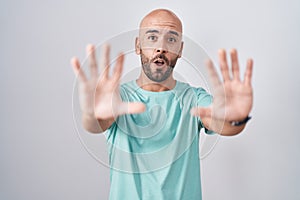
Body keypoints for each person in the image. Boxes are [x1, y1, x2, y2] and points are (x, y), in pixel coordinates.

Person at [71, 8, 253, 200]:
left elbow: (222, 123)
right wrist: (93, 114)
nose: (161, 48)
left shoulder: (194, 98)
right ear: (138, 45)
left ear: (180, 50)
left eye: (171, 39)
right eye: (152, 38)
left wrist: (236, 119)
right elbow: (93, 124)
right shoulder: (118, 98)